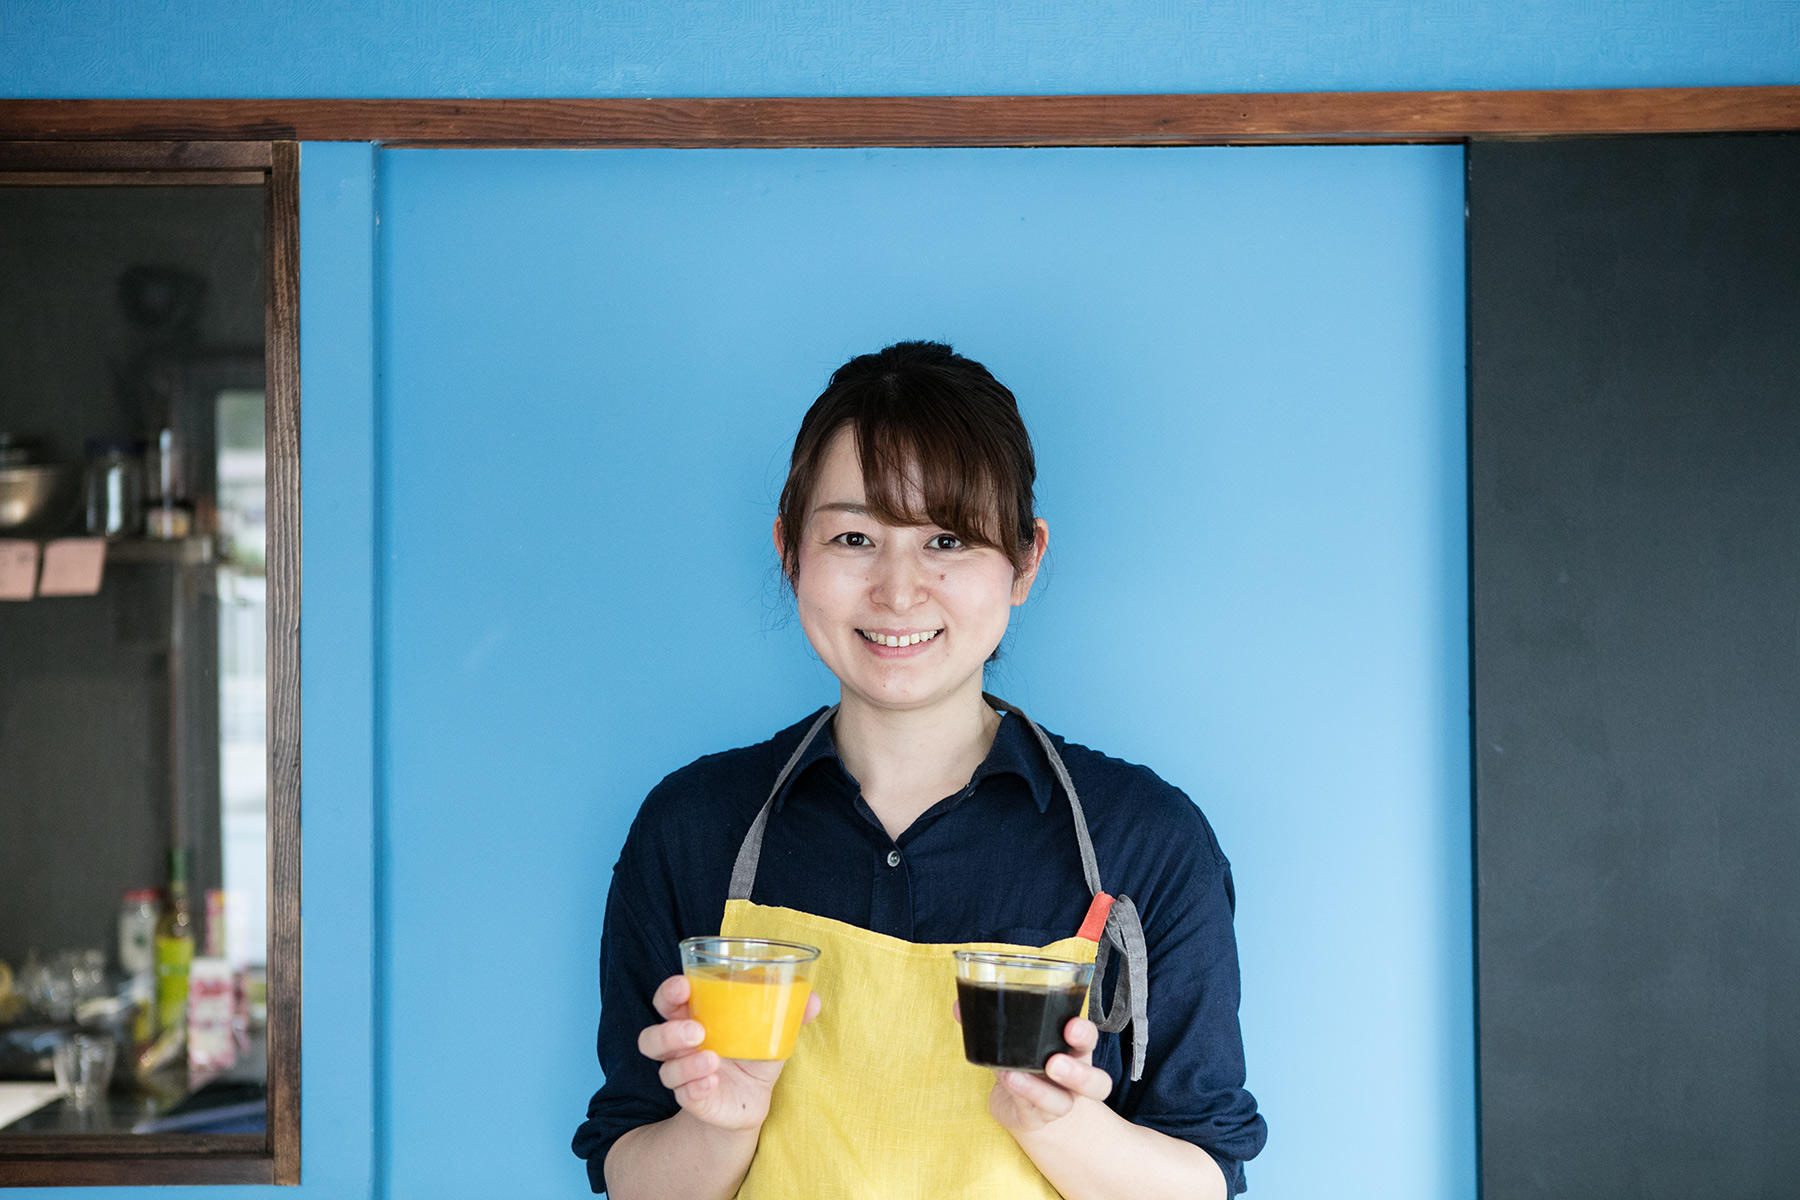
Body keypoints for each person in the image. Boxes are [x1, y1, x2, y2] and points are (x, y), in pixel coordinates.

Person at [572, 341, 1265, 1198]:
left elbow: (1206, 1176)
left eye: (947, 539)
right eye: (854, 536)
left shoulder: (1144, 841)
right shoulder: (693, 828)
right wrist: (725, 1123)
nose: (899, 592)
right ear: (791, 549)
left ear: (1025, 560)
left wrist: (1063, 1125)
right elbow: (631, 1169)